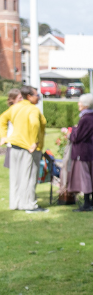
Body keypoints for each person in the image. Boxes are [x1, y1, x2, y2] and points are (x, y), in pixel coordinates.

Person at [0, 85, 47, 213]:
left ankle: (16, 203)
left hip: (15, 146)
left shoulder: (15, 108)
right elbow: (35, 123)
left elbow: (2, 118)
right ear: (29, 96)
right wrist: (33, 142)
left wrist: (3, 137)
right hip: (29, 148)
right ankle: (30, 205)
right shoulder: (33, 109)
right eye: (37, 95)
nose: (38, 98)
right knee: (30, 176)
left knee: (16, 177)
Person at [67, 93, 93, 212]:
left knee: (85, 177)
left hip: (82, 153)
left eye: (80, 102)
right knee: (92, 176)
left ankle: (87, 204)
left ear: (86, 105)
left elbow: (77, 137)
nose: (78, 104)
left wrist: (73, 130)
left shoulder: (85, 119)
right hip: (91, 152)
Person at [1, 88, 22, 169]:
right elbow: (2, 121)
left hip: (22, 143)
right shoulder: (12, 111)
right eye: (20, 98)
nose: (22, 100)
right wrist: (3, 137)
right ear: (13, 100)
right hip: (13, 144)